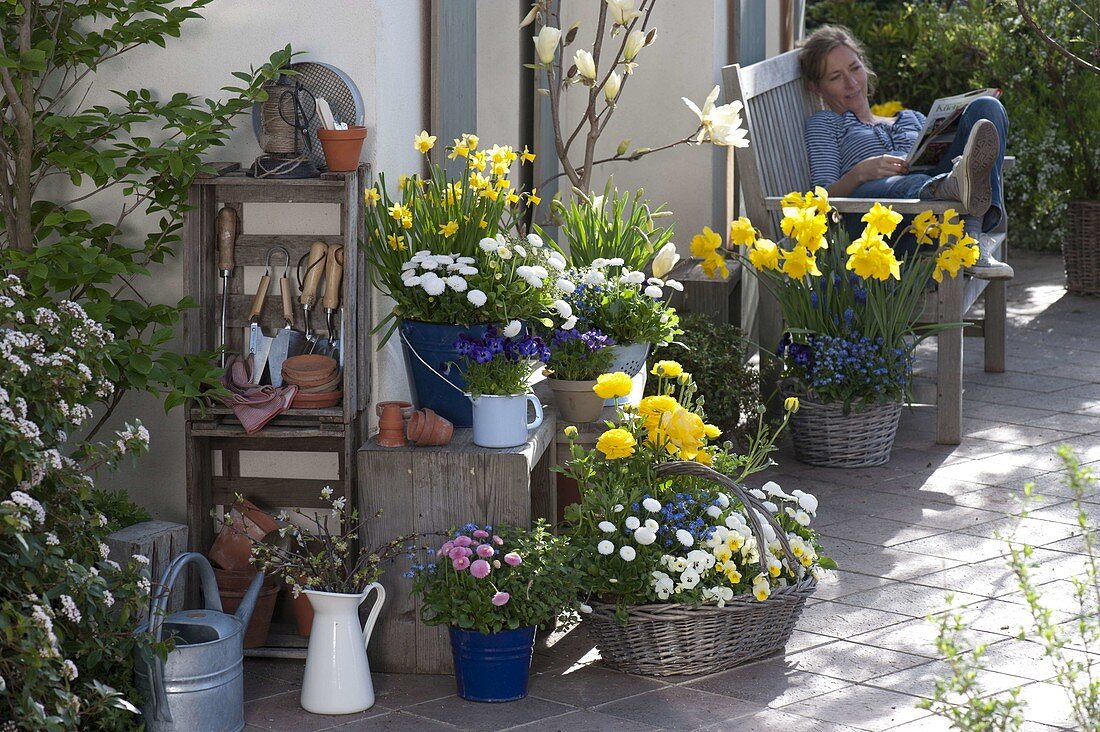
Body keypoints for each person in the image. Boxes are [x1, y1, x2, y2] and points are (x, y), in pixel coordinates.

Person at [799, 25, 1012, 280]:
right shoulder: (826, 123)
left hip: (939, 218)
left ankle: (971, 238)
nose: (852, 83)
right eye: (835, 77)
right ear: (816, 87)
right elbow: (821, 196)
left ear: (864, 66)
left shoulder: (910, 118)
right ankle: (946, 189)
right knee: (908, 181)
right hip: (886, 224)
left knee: (986, 106)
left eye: (855, 68)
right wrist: (860, 173)